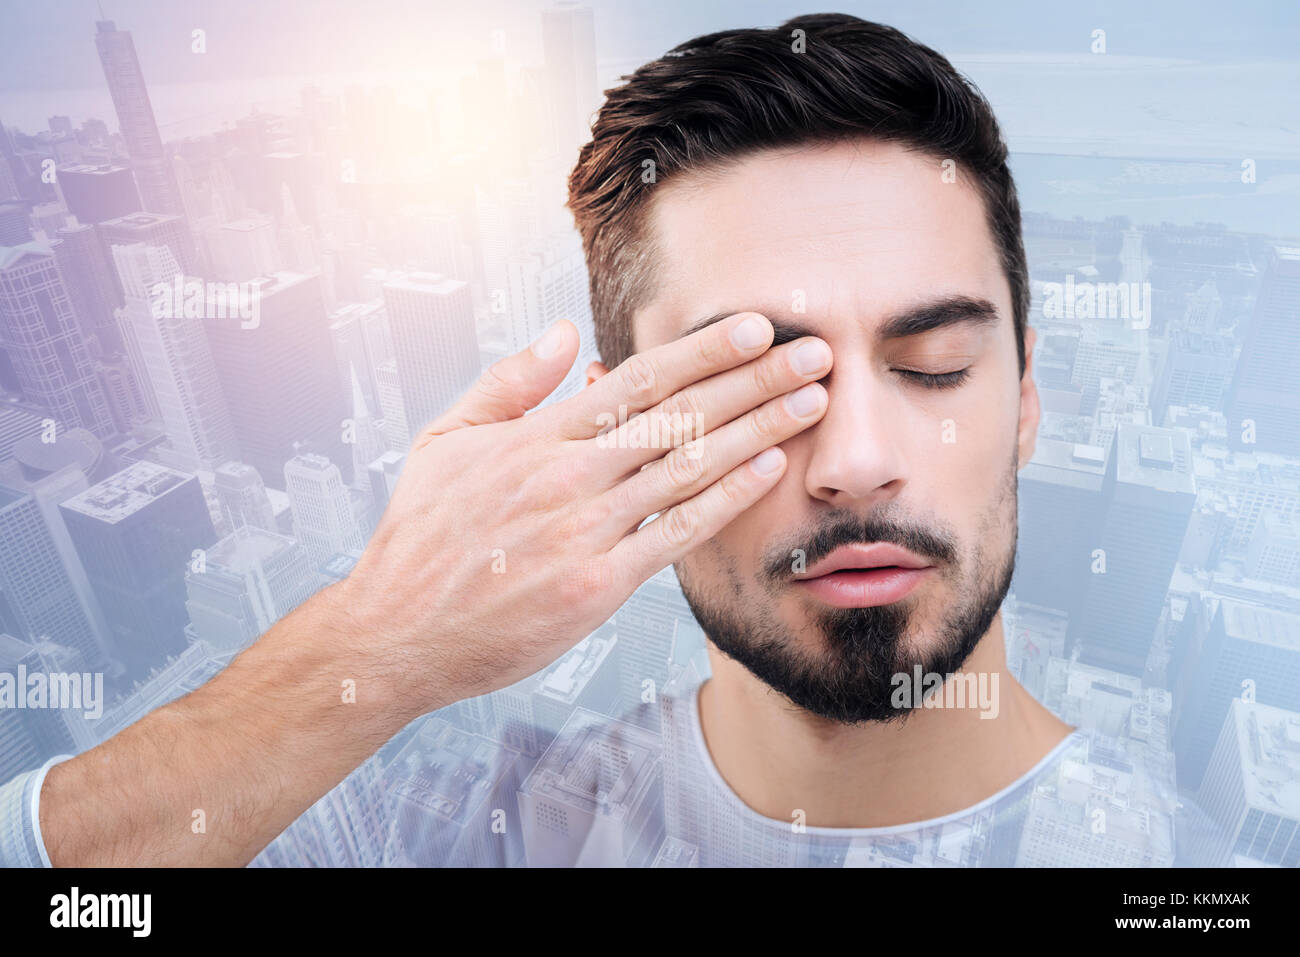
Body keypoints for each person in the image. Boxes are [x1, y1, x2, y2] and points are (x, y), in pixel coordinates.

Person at [0, 13, 1228, 868]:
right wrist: (366, 643)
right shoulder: (448, 833)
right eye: (752, 382)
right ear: (624, 427)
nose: (853, 457)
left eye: (932, 366)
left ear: (1024, 404)